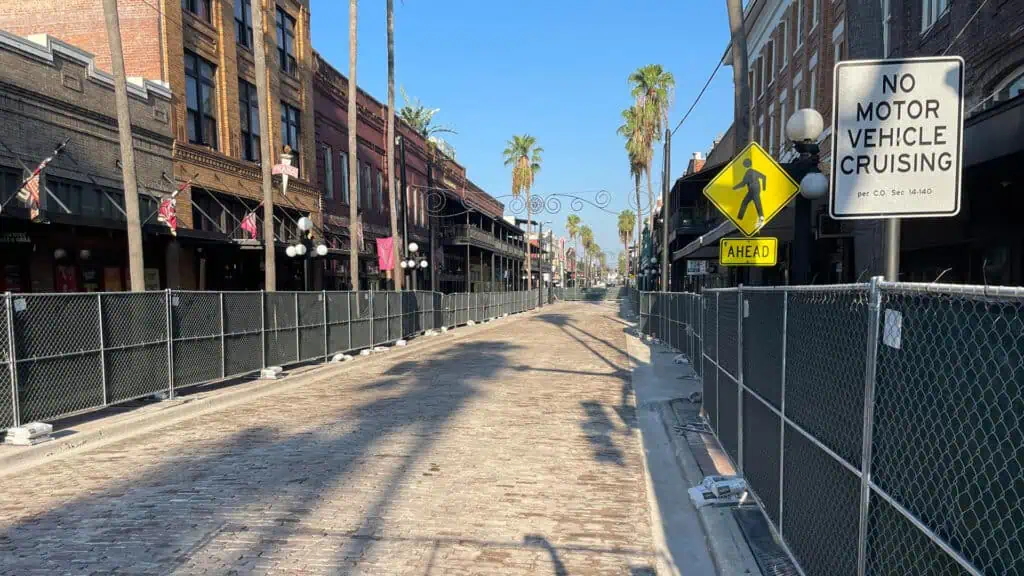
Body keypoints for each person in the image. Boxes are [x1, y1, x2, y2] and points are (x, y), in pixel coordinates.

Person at [734, 158, 766, 229]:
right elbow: (763, 177)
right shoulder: (751, 171)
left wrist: (734, 188)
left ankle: (740, 219)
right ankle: (740, 218)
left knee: (748, 203)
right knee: (754, 203)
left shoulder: (749, 172)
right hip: (754, 190)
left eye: (744, 164)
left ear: (746, 165)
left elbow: (743, 183)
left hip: (753, 190)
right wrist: (762, 188)